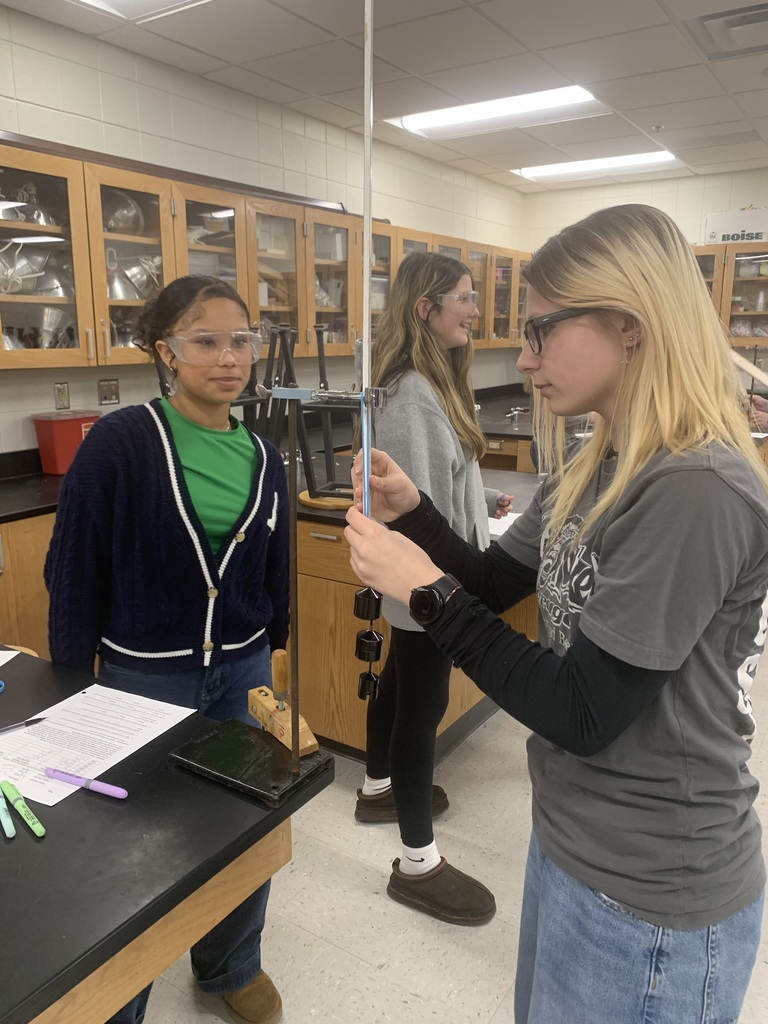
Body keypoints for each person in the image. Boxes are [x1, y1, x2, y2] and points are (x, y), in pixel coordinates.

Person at [344, 204, 768, 1023]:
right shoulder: (599, 455)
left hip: (652, 886)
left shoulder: (693, 485)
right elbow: (494, 580)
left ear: (630, 322)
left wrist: (426, 590)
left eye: (541, 332)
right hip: (573, 836)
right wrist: (417, 515)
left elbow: (582, 710)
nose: (524, 359)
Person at [44, 275, 289, 1024]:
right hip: (142, 679)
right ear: (166, 352)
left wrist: (273, 651)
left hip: (241, 669)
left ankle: (229, 966)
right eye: (205, 341)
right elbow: (74, 567)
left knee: (243, 827)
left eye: (240, 340)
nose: (228, 358)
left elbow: (273, 574)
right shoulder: (122, 445)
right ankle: (123, 995)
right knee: (133, 851)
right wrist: (67, 683)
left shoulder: (265, 455)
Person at [354, 251, 510, 925]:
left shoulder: (433, 382)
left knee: (398, 682)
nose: (474, 311)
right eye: (464, 299)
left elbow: (439, 487)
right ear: (426, 308)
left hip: (435, 575)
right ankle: (417, 865)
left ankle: (375, 787)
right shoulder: (414, 393)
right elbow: (411, 514)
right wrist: (438, 595)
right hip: (429, 584)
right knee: (422, 708)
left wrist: (477, 497)